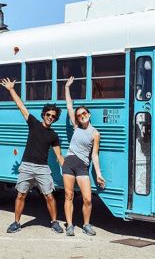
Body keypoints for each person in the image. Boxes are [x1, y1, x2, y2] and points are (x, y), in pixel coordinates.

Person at [1, 78, 65, 234]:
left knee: (49, 196)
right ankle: (16, 223)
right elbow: (21, 106)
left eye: (53, 116)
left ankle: (54, 222)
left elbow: (59, 155)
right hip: (27, 166)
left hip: (43, 168)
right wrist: (11, 89)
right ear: (43, 115)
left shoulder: (54, 135)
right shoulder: (34, 123)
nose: (50, 117)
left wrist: (69, 169)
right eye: (48, 114)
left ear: (55, 119)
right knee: (21, 194)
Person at [62, 76, 105, 236]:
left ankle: (86, 224)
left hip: (82, 166)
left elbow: (95, 155)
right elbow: (69, 106)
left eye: (84, 113)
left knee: (87, 199)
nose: (81, 116)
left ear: (89, 114)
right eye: (79, 115)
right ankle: (70, 225)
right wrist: (67, 88)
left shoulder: (95, 134)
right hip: (69, 163)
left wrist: (99, 174)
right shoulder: (76, 127)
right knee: (69, 195)